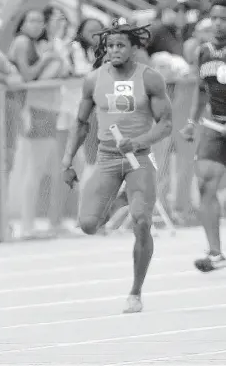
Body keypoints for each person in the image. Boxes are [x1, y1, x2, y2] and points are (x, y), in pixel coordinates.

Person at [61, 19, 173, 314]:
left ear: (134, 48)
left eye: (120, 45)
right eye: (110, 46)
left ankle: (135, 292)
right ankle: (121, 197)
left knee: (142, 221)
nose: (114, 50)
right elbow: (81, 123)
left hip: (140, 159)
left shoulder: (150, 78)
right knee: (87, 225)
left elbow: (166, 124)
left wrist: (138, 142)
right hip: (108, 158)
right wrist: (67, 161)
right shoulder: (93, 79)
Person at [180, 0, 226, 273]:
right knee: (205, 186)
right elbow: (200, 89)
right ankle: (216, 252)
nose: (219, 24)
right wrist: (191, 122)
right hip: (215, 127)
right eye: (215, 19)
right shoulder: (204, 51)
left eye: (225, 19)